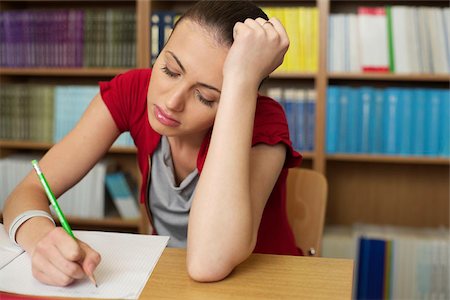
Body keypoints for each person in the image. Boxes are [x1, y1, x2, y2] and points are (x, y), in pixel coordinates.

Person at [3, 0, 302, 287]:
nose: (172, 102)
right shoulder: (134, 90)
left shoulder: (263, 121)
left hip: (260, 286)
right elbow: (26, 192)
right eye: (170, 70)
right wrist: (41, 238)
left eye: (206, 97)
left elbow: (208, 262)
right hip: (170, 280)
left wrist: (241, 80)